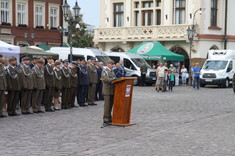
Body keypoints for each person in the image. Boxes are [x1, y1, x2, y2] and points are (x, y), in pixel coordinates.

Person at [101, 60, 116, 125]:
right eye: (112, 64)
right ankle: (106, 118)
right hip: (107, 90)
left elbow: (115, 78)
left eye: (113, 64)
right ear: (108, 64)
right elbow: (105, 79)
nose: (113, 65)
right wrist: (112, 80)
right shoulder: (105, 71)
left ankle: (109, 117)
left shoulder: (112, 71)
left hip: (112, 90)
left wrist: (114, 79)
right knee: (107, 105)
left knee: (110, 105)